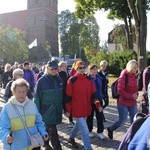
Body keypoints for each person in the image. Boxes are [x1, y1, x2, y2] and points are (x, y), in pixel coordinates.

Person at [0, 78, 48, 150]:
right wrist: (6, 136)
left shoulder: (32, 105)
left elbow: (39, 122)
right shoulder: (7, 108)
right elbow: (2, 127)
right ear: (13, 92)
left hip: (33, 145)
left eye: (24, 92)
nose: (21, 95)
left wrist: (43, 132)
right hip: (17, 146)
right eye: (19, 92)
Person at [65, 60, 103, 149]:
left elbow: (94, 95)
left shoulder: (89, 79)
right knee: (85, 131)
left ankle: (71, 137)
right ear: (76, 68)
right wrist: (67, 110)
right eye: (80, 68)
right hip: (77, 109)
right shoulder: (72, 80)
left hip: (86, 108)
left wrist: (98, 105)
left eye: (83, 67)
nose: (82, 69)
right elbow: (67, 97)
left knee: (78, 125)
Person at [34, 60, 63, 150]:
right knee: (53, 133)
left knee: (47, 130)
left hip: (56, 111)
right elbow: (36, 99)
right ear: (47, 68)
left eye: (56, 68)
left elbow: (63, 96)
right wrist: (36, 115)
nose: (54, 70)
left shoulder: (59, 80)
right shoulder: (41, 81)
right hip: (46, 113)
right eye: (52, 69)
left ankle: (45, 144)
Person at [107, 59, 138, 139]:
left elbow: (135, 88)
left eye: (136, 68)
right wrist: (131, 96)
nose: (136, 69)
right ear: (131, 67)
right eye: (135, 68)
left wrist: (136, 94)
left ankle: (131, 137)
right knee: (122, 121)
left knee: (134, 121)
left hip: (132, 103)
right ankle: (110, 129)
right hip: (123, 103)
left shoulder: (134, 76)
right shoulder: (123, 76)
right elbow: (120, 91)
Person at [86, 64, 105, 140]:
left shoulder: (99, 78)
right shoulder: (87, 79)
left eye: (96, 69)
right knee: (90, 117)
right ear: (89, 70)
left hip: (99, 100)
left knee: (99, 116)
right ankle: (89, 130)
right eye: (93, 69)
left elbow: (102, 88)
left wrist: (103, 95)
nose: (95, 71)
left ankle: (100, 131)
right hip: (90, 101)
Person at [58, 61, 74, 127]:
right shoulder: (59, 75)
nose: (64, 67)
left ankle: (71, 120)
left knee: (68, 106)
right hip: (61, 92)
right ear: (60, 67)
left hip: (67, 92)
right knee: (62, 106)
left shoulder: (67, 74)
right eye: (63, 66)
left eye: (65, 66)